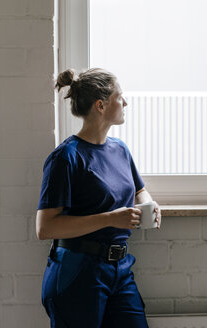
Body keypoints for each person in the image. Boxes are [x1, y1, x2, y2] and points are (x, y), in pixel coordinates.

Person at [36, 68, 161, 327]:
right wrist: (110, 219)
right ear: (101, 105)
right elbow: (45, 227)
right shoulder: (66, 157)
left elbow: (139, 190)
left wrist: (150, 204)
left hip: (120, 270)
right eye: (120, 96)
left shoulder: (120, 149)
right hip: (77, 272)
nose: (125, 102)